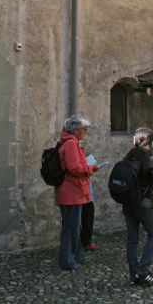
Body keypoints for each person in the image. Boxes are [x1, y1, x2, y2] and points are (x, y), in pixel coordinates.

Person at [55, 114, 99, 271]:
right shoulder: (71, 144)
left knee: (74, 226)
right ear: (76, 130)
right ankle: (68, 261)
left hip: (72, 192)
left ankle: (77, 255)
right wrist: (91, 168)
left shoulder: (68, 143)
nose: (85, 132)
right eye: (84, 129)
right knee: (71, 229)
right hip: (72, 192)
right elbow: (75, 168)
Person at [122, 127, 153, 286]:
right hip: (143, 203)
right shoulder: (149, 158)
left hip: (127, 203)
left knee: (132, 239)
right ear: (151, 141)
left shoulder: (129, 156)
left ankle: (133, 275)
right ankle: (143, 271)